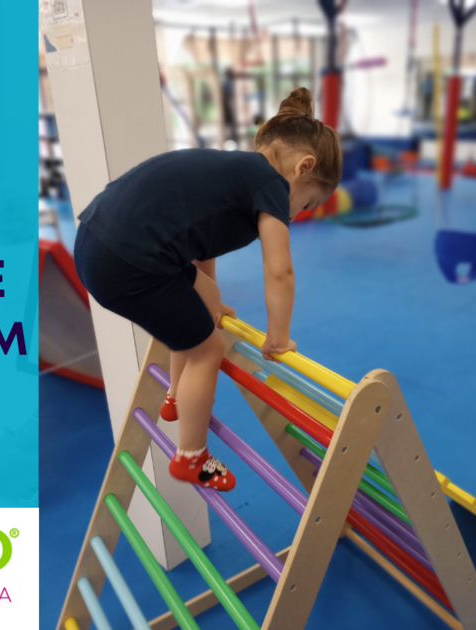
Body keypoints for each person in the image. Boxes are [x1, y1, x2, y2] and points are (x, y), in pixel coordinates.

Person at [74, 88, 341, 492]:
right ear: (304, 168)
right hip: (127, 260)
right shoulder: (270, 184)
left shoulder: (235, 174)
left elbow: (201, 251)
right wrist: (279, 337)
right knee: (207, 348)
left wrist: (210, 300)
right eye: (306, 205)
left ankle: (177, 398)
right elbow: (280, 270)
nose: (296, 213)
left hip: (98, 242)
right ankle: (192, 456)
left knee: (202, 312)